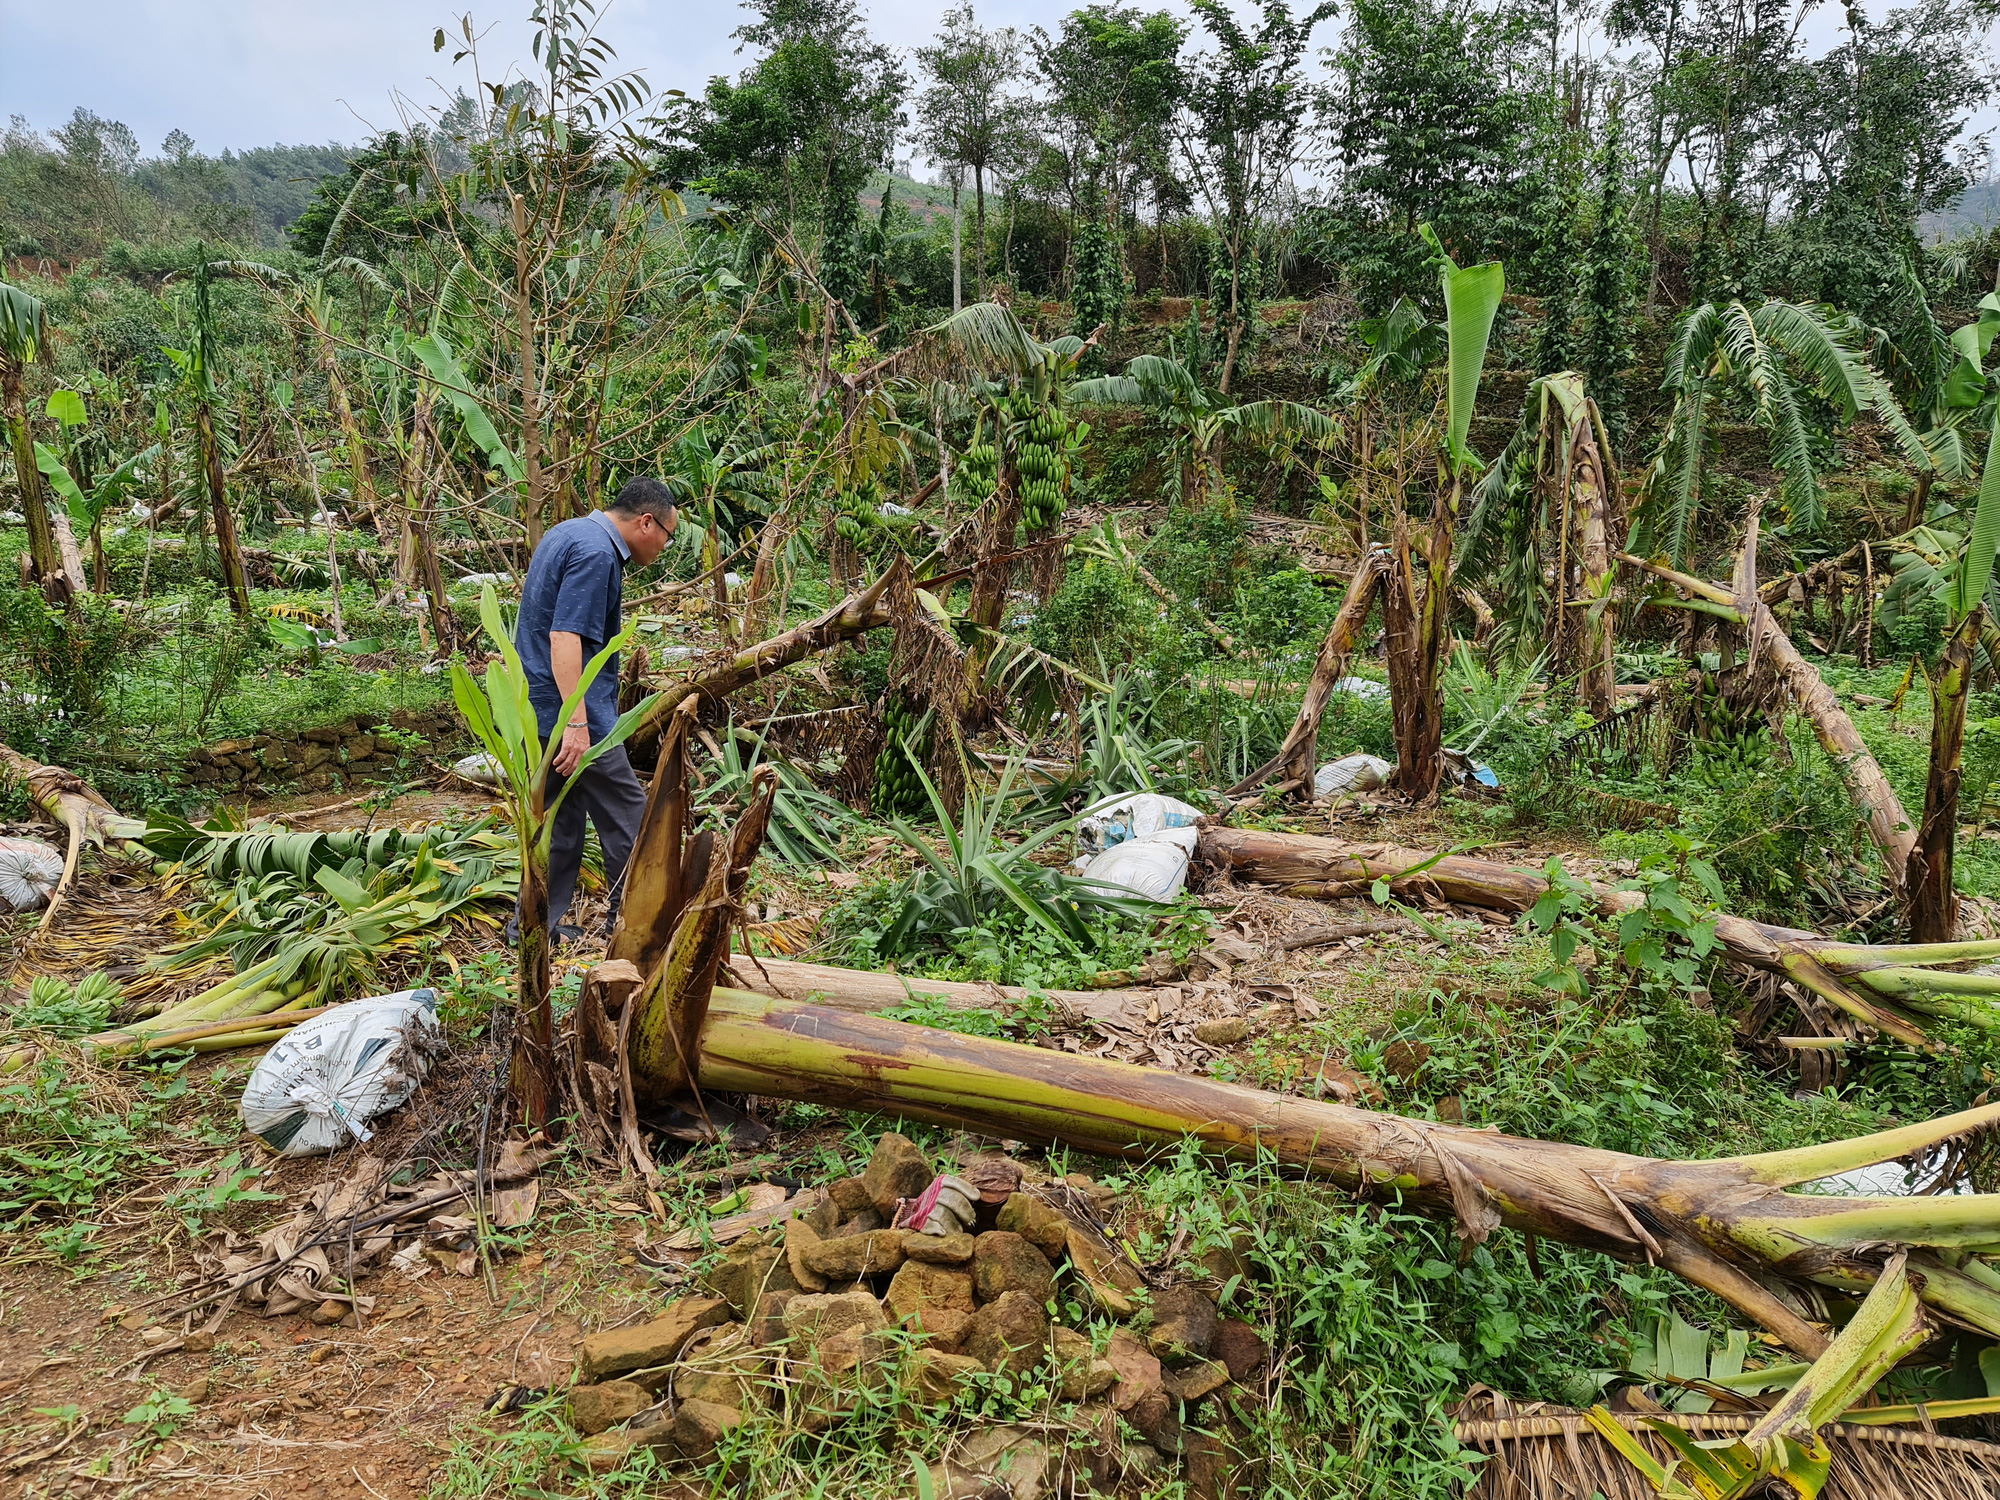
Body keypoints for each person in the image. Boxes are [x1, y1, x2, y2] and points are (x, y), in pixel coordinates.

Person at [510, 476, 679, 941]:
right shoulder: (598, 553)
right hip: (573, 712)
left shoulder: (567, 532)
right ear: (646, 522)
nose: (664, 547)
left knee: (561, 821)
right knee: (628, 816)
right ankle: (634, 925)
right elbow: (564, 637)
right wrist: (578, 724)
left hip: (539, 706)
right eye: (667, 535)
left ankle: (534, 929)